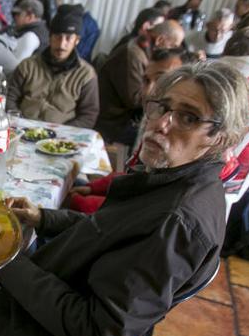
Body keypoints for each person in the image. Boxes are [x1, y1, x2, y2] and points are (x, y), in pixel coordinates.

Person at [0, 60, 249, 336]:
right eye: (163, 107)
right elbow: (106, 231)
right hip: (50, 297)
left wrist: (5, 257)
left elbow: (97, 334)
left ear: (220, 137)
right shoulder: (176, 178)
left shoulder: (176, 221)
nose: (161, 124)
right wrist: (43, 217)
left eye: (188, 118)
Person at [69, 47, 196, 213]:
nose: (149, 91)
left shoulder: (177, 141)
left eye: (161, 79)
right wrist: (92, 188)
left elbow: (135, 211)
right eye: (145, 80)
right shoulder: (151, 117)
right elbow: (134, 178)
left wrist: (77, 201)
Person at [6, 5, 100, 128]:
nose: (62, 44)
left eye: (68, 38)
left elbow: (88, 115)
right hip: (22, 129)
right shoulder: (28, 66)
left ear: (77, 40)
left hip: (61, 138)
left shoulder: (86, 75)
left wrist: (61, 132)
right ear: (50, 37)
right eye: (57, 37)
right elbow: (9, 97)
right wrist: (20, 122)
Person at [96, 20, 185, 145]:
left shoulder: (143, 47)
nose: (175, 52)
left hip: (125, 117)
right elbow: (135, 99)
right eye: (174, 46)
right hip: (113, 122)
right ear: (159, 40)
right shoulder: (132, 55)